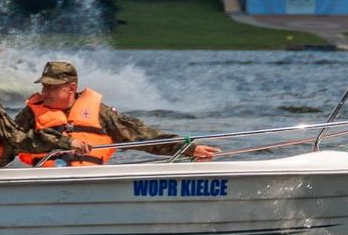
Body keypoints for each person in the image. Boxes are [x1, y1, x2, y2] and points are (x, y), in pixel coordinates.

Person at [16, 61, 220, 166]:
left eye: (52, 87)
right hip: (47, 180)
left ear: (70, 88)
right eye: (44, 86)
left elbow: (142, 136)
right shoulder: (29, 114)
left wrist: (188, 148)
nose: (44, 92)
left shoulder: (100, 113)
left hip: (90, 182)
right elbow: (7, 140)